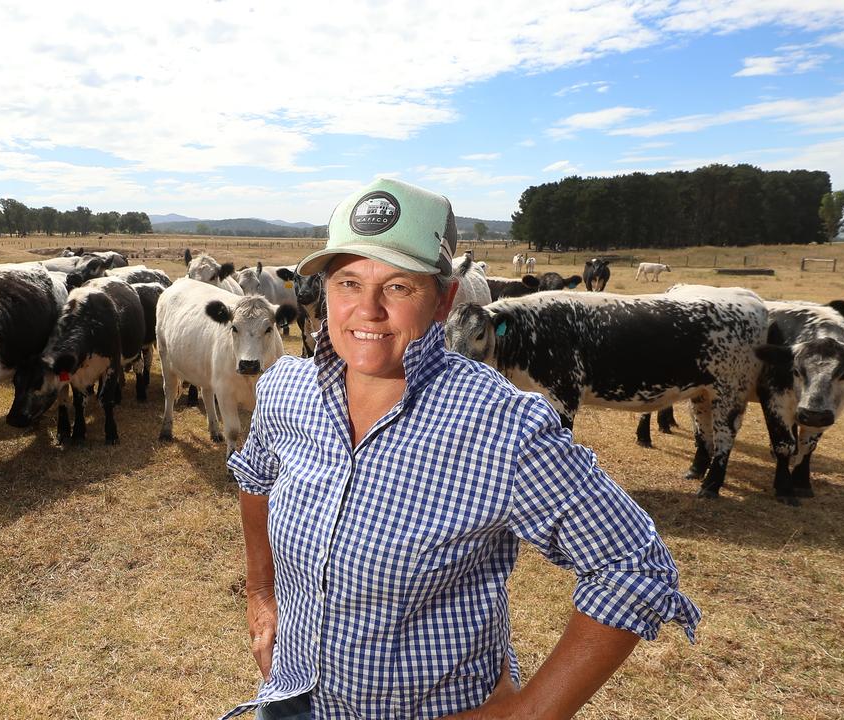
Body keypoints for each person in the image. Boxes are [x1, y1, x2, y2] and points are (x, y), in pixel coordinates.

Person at [225, 177, 700, 720]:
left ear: (444, 300)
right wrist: (261, 593)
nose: (368, 310)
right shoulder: (286, 389)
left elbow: (632, 565)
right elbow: (256, 476)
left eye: (399, 286)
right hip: (291, 697)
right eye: (348, 282)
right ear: (324, 291)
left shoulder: (500, 425)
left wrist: (526, 715)